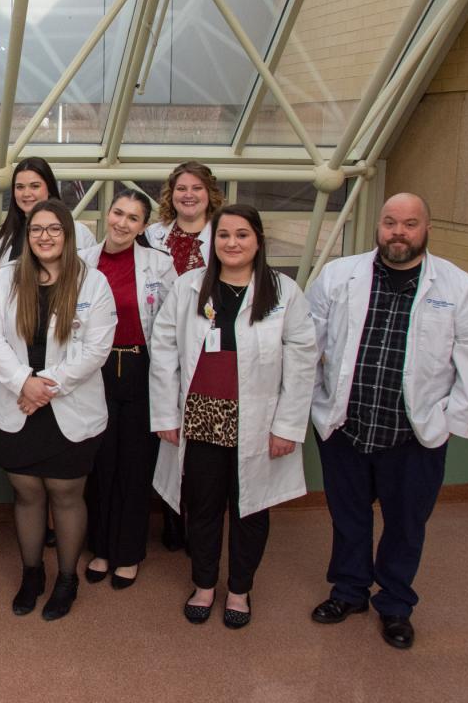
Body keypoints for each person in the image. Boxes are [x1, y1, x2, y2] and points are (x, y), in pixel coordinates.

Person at [305, 192, 468, 650]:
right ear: (379, 226)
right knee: (348, 518)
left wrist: (448, 422)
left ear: (426, 228)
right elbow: (307, 343)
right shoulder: (339, 275)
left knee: (406, 524)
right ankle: (349, 592)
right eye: (390, 223)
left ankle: (395, 605)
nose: (398, 233)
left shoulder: (458, 287)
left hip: (414, 434)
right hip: (346, 426)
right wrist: (312, 401)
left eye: (410, 224)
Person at [150, 204, 317, 629]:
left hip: (257, 421)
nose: (232, 243)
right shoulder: (190, 287)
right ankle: (204, 584)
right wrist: (166, 414)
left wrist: (288, 426)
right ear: (214, 241)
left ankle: (240, 590)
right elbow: (165, 350)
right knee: (202, 507)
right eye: (224, 235)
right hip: (200, 416)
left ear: (258, 240)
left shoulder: (283, 292)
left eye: (242, 235)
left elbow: (302, 360)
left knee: (251, 509)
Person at [0, 199, 116, 621]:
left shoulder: (92, 283)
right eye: (37, 229)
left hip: (68, 406)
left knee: (66, 493)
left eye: (54, 229)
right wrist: (24, 382)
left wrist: (44, 386)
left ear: (68, 234)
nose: (44, 236)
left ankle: (67, 579)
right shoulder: (7, 278)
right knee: (27, 492)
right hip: (19, 403)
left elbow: (97, 349)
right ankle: (33, 573)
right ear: (27, 234)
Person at [78, 189, 176, 589]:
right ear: (107, 214)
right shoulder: (83, 261)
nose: (122, 223)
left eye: (133, 218)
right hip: (94, 370)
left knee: (135, 464)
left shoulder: (160, 265)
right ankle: (101, 547)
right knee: (99, 463)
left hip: (141, 368)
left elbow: (170, 324)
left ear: (143, 226)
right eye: (118, 213)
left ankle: (129, 552)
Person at [143, 162, 224, 551]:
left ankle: (197, 519)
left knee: (199, 438)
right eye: (180, 188)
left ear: (210, 193)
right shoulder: (152, 236)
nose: (188, 195)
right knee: (165, 434)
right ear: (170, 194)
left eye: (196, 188)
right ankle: (172, 519)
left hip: (204, 348)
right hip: (155, 343)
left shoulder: (223, 235)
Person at [0, 157, 97, 272]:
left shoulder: (80, 233)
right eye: (20, 187)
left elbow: (90, 280)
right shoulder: (2, 236)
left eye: (35, 186)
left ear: (49, 188)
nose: (26, 193)